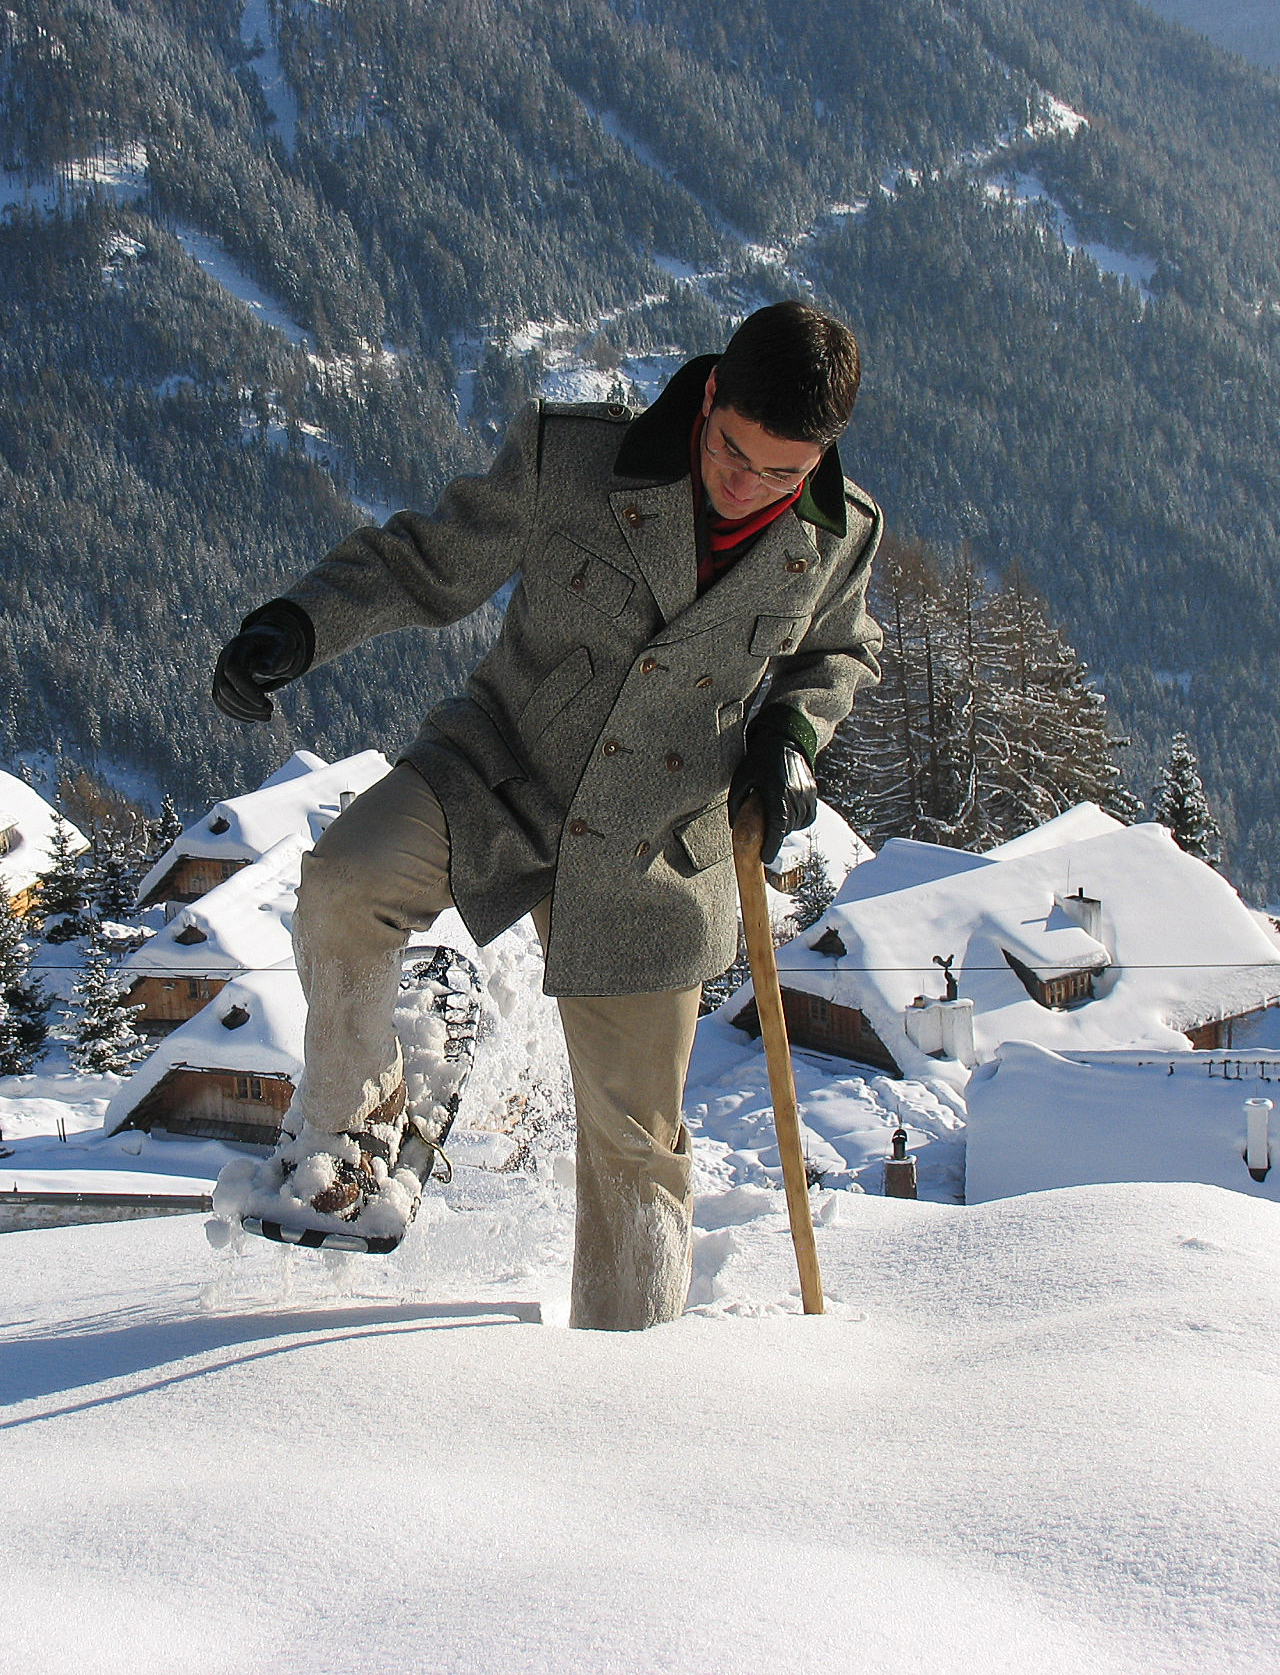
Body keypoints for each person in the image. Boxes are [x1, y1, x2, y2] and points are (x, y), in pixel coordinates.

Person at [211, 300, 884, 1330]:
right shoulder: (573, 458)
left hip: (654, 846)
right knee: (344, 882)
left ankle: (622, 1383)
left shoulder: (832, 538)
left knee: (636, 1146)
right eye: (733, 452)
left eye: (780, 474)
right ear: (708, 399)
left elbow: (834, 654)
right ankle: (357, 1120)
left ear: (820, 458)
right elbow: (427, 560)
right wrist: (300, 622)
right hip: (496, 768)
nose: (747, 485)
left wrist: (791, 737)